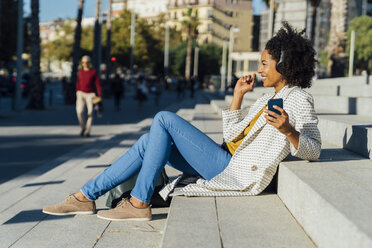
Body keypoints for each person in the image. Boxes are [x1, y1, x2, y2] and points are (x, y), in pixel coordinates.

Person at [43, 22, 321, 222]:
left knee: (164, 119)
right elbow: (232, 134)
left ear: (284, 65)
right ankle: (84, 197)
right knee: (148, 140)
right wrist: (238, 96)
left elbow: (313, 149)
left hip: (236, 171)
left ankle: (138, 203)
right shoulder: (265, 99)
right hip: (226, 158)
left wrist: (288, 130)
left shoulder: (298, 100)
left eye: (264, 63)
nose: (259, 69)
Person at [75, 55, 102, 137]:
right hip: (80, 93)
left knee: (90, 113)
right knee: (79, 111)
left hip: (90, 94)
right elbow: (78, 82)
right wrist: (77, 91)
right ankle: (83, 127)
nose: (85, 64)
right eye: (83, 62)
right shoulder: (79, 72)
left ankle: (88, 131)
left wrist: (99, 95)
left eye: (86, 62)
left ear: (89, 63)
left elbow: (97, 84)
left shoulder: (93, 72)